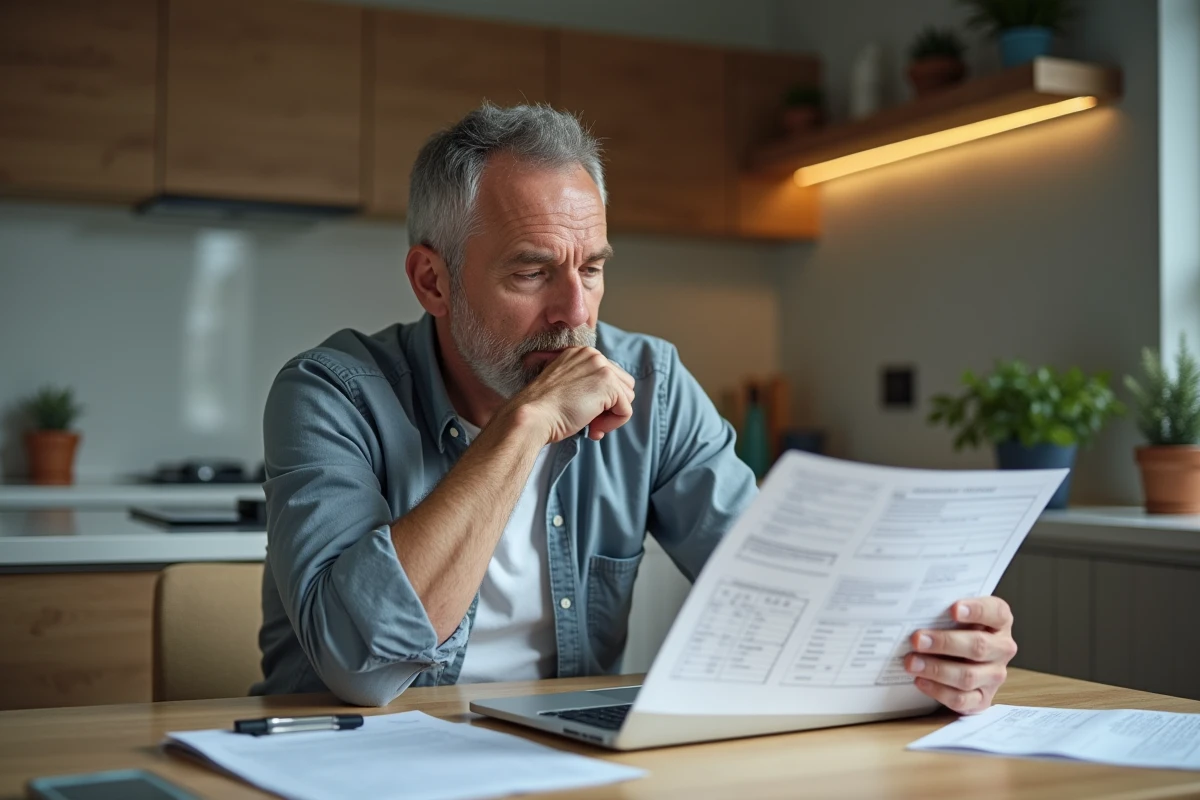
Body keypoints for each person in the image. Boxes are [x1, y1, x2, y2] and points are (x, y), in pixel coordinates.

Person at [253, 103, 1018, 710]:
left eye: (592, 267)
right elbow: (361, 667)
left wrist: (934, 657)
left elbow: (783, 590)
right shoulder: (331, 393)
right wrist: (529, 423)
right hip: (349, 764)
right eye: (532, 272)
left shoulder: (650, 380)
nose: (574, 309)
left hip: (563, 765)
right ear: (432, 282)